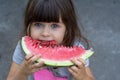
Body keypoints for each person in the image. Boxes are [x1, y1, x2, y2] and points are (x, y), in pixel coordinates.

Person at [7, 0, 95, 80]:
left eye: (54, 26)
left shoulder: (77, 50)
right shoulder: (22, 50)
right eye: (38, 24)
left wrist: (83, 77)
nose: (45, 33)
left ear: (67, 28)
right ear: (28, 25)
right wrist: (23, 73)